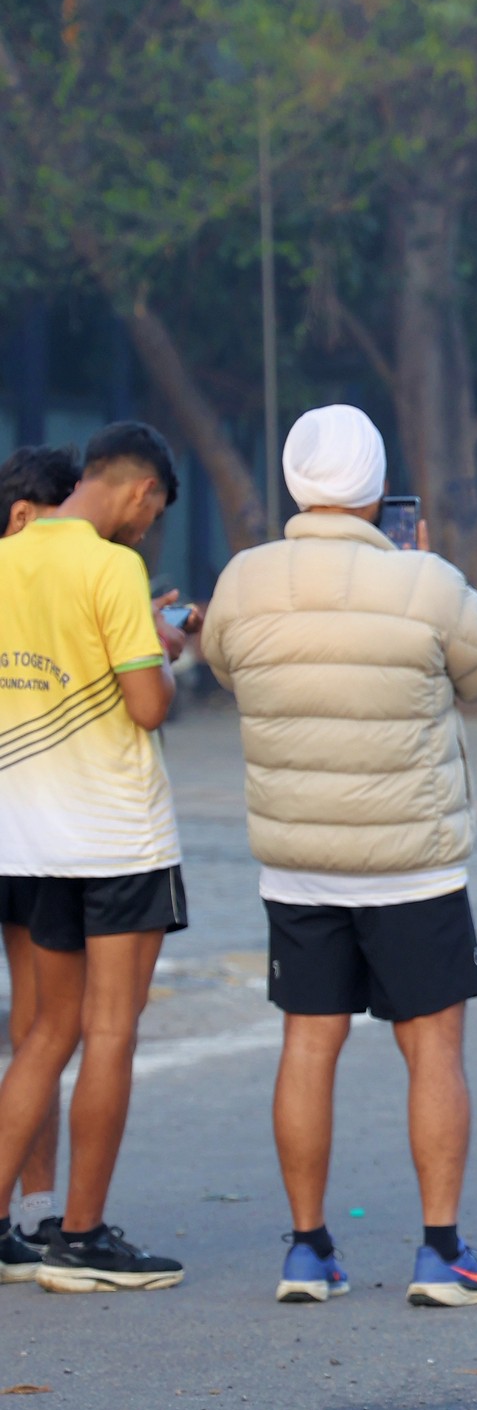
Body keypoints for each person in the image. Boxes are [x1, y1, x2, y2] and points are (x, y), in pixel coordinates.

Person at [200, 404, 477, 1310]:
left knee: (308, 1044)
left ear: (294, 483)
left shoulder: (245, 580)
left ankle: (308, 1251)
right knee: (434, 1049)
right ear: (379, 489)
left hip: (297, 861)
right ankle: (441, 1252)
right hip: (413, 861)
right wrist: (426, 568)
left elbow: (225, 666)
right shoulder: (424, 581)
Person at [0, 421, 191, 1291]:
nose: (147, 529)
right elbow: (146, 705)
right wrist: (166, 652)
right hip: (114, 835)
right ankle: (80, 1239)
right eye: (153, 513)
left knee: (46, 1032)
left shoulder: (8, 558)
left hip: (29, 838)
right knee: (111, 1030)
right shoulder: (113, 569)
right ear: (141, 490)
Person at [0, 443, 82, 1269]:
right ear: (23, 515)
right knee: (47, 1024)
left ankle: (33, 1209)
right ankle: (31, 1212)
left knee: (37, 1024)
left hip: (25, 830)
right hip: (30, 831)